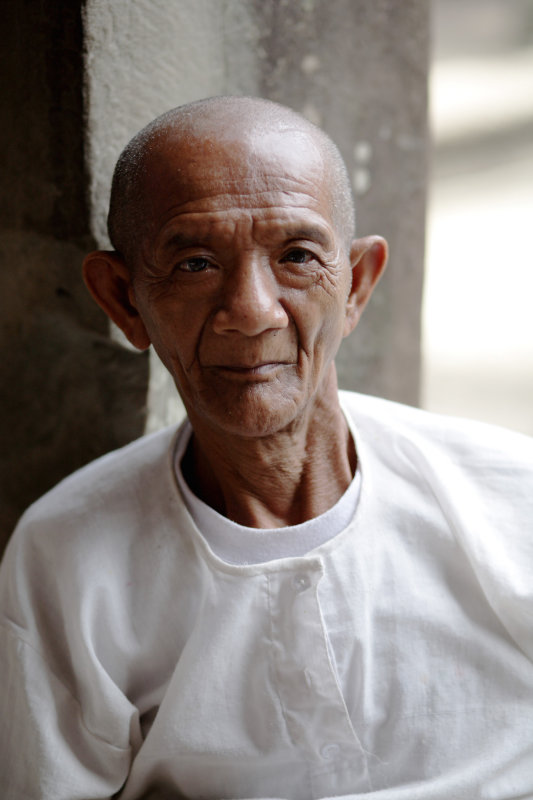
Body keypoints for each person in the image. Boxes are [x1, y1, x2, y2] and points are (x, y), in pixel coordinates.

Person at [0, 96, 532, 800]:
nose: (250, 311)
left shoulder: (510, 502)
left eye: (296, 257)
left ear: (355, 286)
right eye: (193, 263)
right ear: (124, 301)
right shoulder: (68, 558)